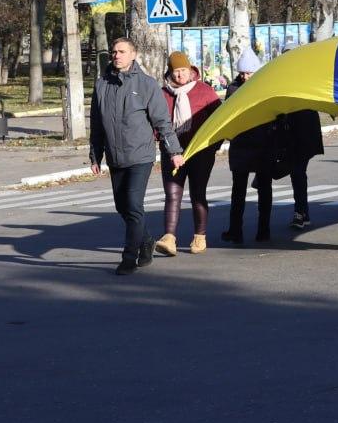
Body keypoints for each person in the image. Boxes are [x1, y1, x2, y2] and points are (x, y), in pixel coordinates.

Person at [89, 37, 185, 275]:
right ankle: (147, 241)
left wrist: (174, 150)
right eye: (114, 52)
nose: (116, 55)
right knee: (122, 207)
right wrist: (95, 155)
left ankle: (129, 257)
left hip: (140, 155)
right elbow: (97, 124)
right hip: (115, 156)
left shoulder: (146, 84)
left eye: (122, 51)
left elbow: (162, 120)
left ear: (133, 54)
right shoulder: (101, 85)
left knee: (133, 205)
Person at [154, 51, 221, 258]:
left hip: (200, 153)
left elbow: (219, 120)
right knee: (172, 194)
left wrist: (212, 146)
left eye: (183, 71)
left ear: (191, 70)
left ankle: (199, 237)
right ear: (170, 72)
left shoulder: (205, 91)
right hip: (172, 153)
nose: (180, 76)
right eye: (176, 72)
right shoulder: (163, 94)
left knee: (197, 194)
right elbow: (156, 121)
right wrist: (161, 141)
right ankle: (169, 238)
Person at [221, 50, 276, 246]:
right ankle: (235, 230)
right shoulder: (233, 89)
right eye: (243, 73)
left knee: (264, 189)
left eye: (249, 73)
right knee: (238, 191)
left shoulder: (267, 86)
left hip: (264, 145)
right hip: (241, 145)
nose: (245, 77)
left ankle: (264, 229)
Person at [283, 109, 324, 230]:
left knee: (297, 173)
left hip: (303, 134)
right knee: (297, 174)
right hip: (294, 134)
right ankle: (303, 213)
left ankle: (300, 213)